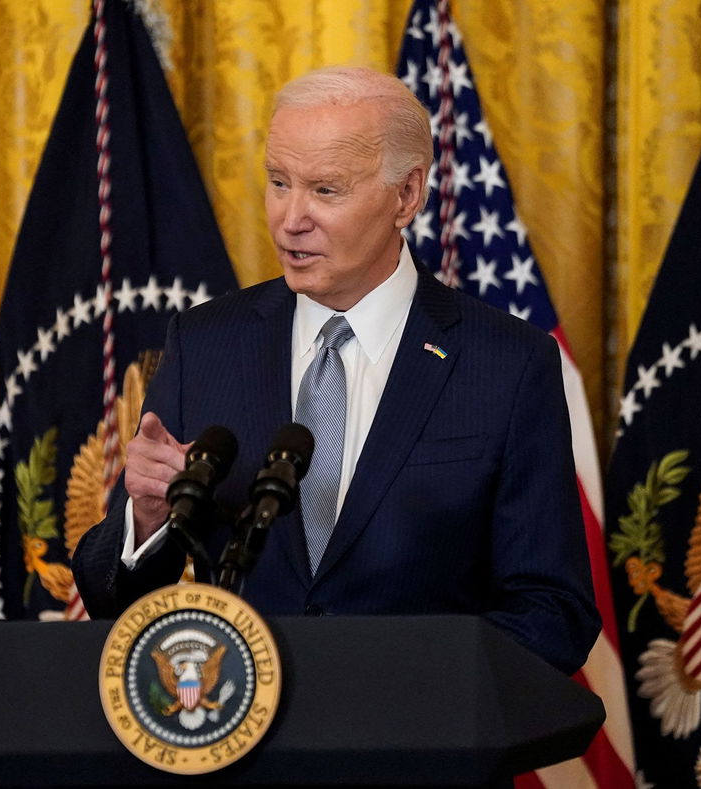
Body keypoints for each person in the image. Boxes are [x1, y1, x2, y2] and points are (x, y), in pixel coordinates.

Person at [73, 65, 599, 676]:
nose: (290, 218)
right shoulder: (205, 344)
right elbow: (112, 598)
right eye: (278, 182)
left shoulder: (508, 364)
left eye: (325, 191)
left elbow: (553, 613)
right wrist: (146, 519)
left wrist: (394, 686)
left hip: (421, 753)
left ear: (407, 195)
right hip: (243, 755)